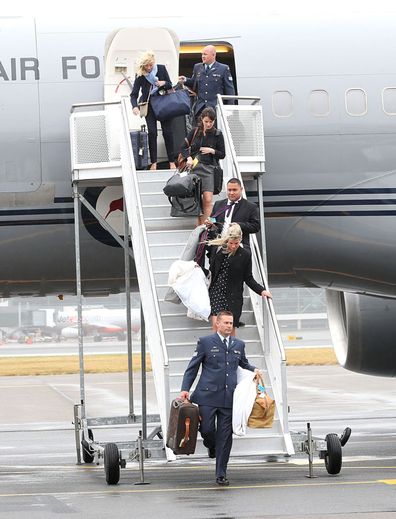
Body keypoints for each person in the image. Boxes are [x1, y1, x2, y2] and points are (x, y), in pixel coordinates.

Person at [180, 310, 260, 486]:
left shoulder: (239, 344)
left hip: (228, 398)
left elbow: (243, 363)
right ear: (217, 324)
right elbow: (192, 367)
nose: (229, 326)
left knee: (225, 437)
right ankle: (211, 445)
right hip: (207, 396)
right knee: (208, 430)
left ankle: (221, 474)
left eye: (231, 323)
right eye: (226, 323)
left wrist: (254, 370)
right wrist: (185, 389)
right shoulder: (205, 342)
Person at [208, 223, 272, 334]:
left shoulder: (245, 255)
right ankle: (216, 350)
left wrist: (261, 290)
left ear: (240, 240)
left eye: (236, 243)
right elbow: (212, 271)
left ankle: (231, 350)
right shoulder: (218, 250)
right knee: (216, 326)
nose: (233, 246)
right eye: (231, 243)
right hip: (216, 291)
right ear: (227, 240)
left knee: (229, 328)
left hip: (233, 294)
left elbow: (248, 278)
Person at [130, 51, 176, 170]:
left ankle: (172, 161)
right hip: (149, 106)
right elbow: (134, 94)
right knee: (152, 133)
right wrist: (134, 106)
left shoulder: (161, 69)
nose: (149, 68)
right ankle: (154, 162)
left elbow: (170, 85)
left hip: (163, 104)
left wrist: (163, 83)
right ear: (143, 66)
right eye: (147, 66)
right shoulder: (140, 75)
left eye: (151, 65)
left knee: (168, 132)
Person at [180, 107, 225, 225]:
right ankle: (198, 226)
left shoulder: (217, 134)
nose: (209, 124)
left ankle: (206, 227)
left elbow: (222, 154)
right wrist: (188, 158)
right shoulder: (195, 131)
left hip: (209, 168)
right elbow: (183, 147)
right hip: (194, 168)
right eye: (206, 121)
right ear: (202, 120)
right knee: (196, 200)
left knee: (208, 199)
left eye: (211, 121)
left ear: (214, 121)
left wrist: (212, 150)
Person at [179, 45, 235, 123]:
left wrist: (229, 109)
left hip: (215, 108)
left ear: (213, 55)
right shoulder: (197, 67)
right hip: (200, 108)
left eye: (205, 54)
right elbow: (194, 83)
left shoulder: (223, 68)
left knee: (213, 132)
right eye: (202, 54)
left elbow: (230, 90)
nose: (203, 56)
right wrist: (185, 80)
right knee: (198, 131)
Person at [205, 178, 260, 251]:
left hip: (238, 248)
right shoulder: (218, 204)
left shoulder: (250, 206)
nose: (231, 193)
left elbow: (256, 227)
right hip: (219, 247)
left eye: (234, 190)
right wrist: (209, 223)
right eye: (229, 190)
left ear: (241, 189)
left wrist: (239, 225)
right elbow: (213, 219)